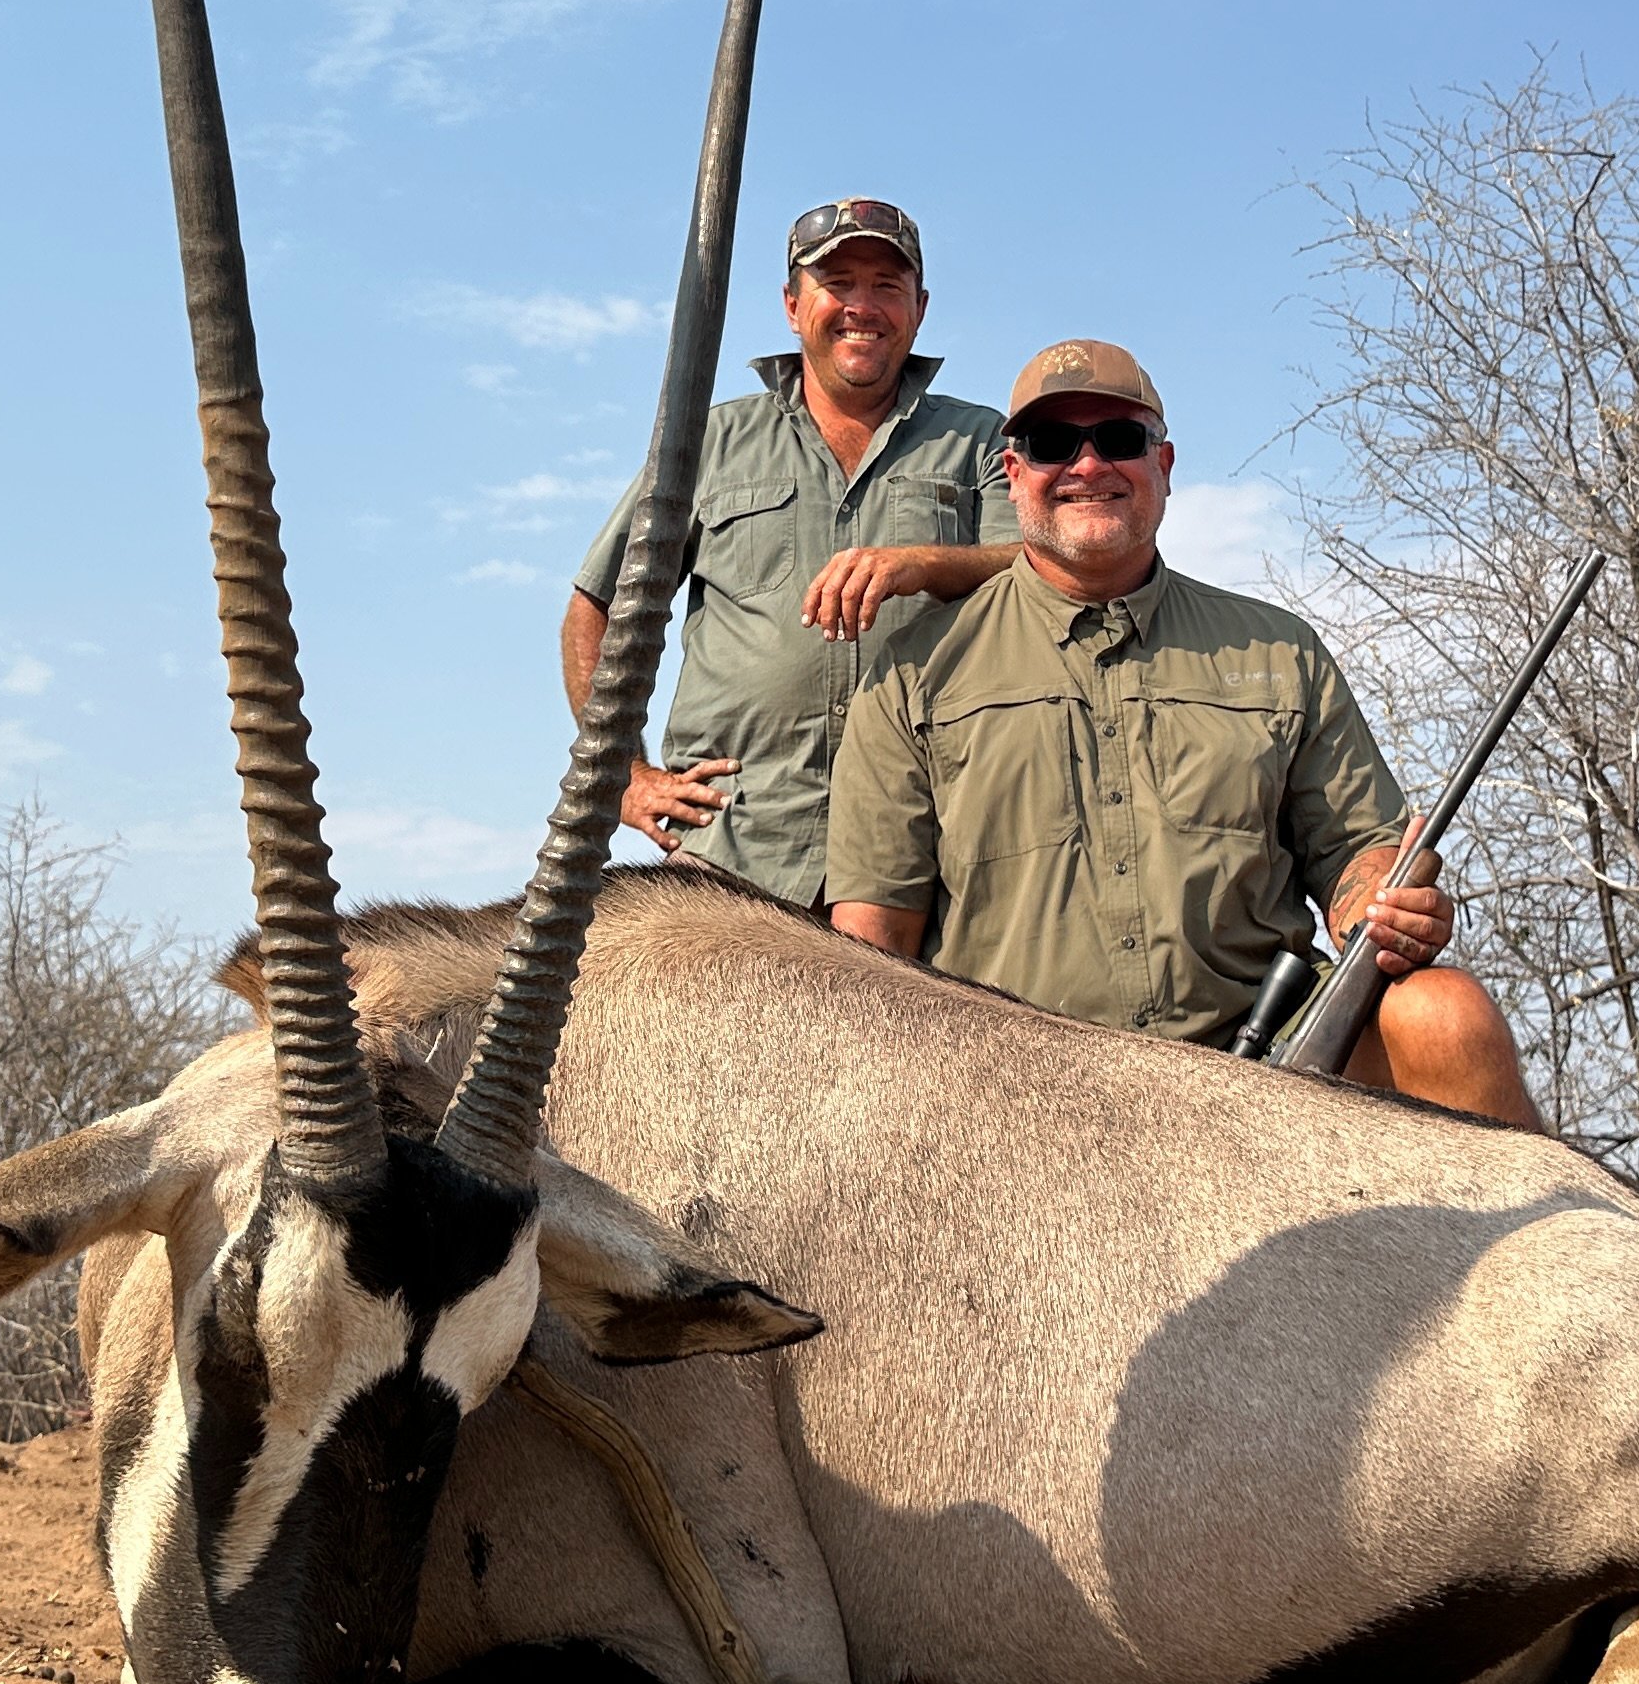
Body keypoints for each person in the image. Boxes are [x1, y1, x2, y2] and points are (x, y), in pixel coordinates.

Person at [822, 337, 1543, 1125]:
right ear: (1014, 472)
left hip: (1263, 1079)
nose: (1089, 465)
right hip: (1017, 1102)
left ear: (1163, 466)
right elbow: (873, 947)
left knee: (1446, 1013)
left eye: (1120, 440)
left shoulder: (1279, 651)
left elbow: (1358, 857)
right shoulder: (910, 673)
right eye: (1054, 443)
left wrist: (1385, 906)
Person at [563, 198, 1019, 908]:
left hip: (929, 853)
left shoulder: (981, 440)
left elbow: (1035, 574)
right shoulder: (709, 440)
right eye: (838, 284)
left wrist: (920, 565)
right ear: (791, 304)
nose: (861, 306)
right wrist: (620, 772)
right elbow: (596, 605)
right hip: (733, 847)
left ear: (920, 308)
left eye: (886, 286)